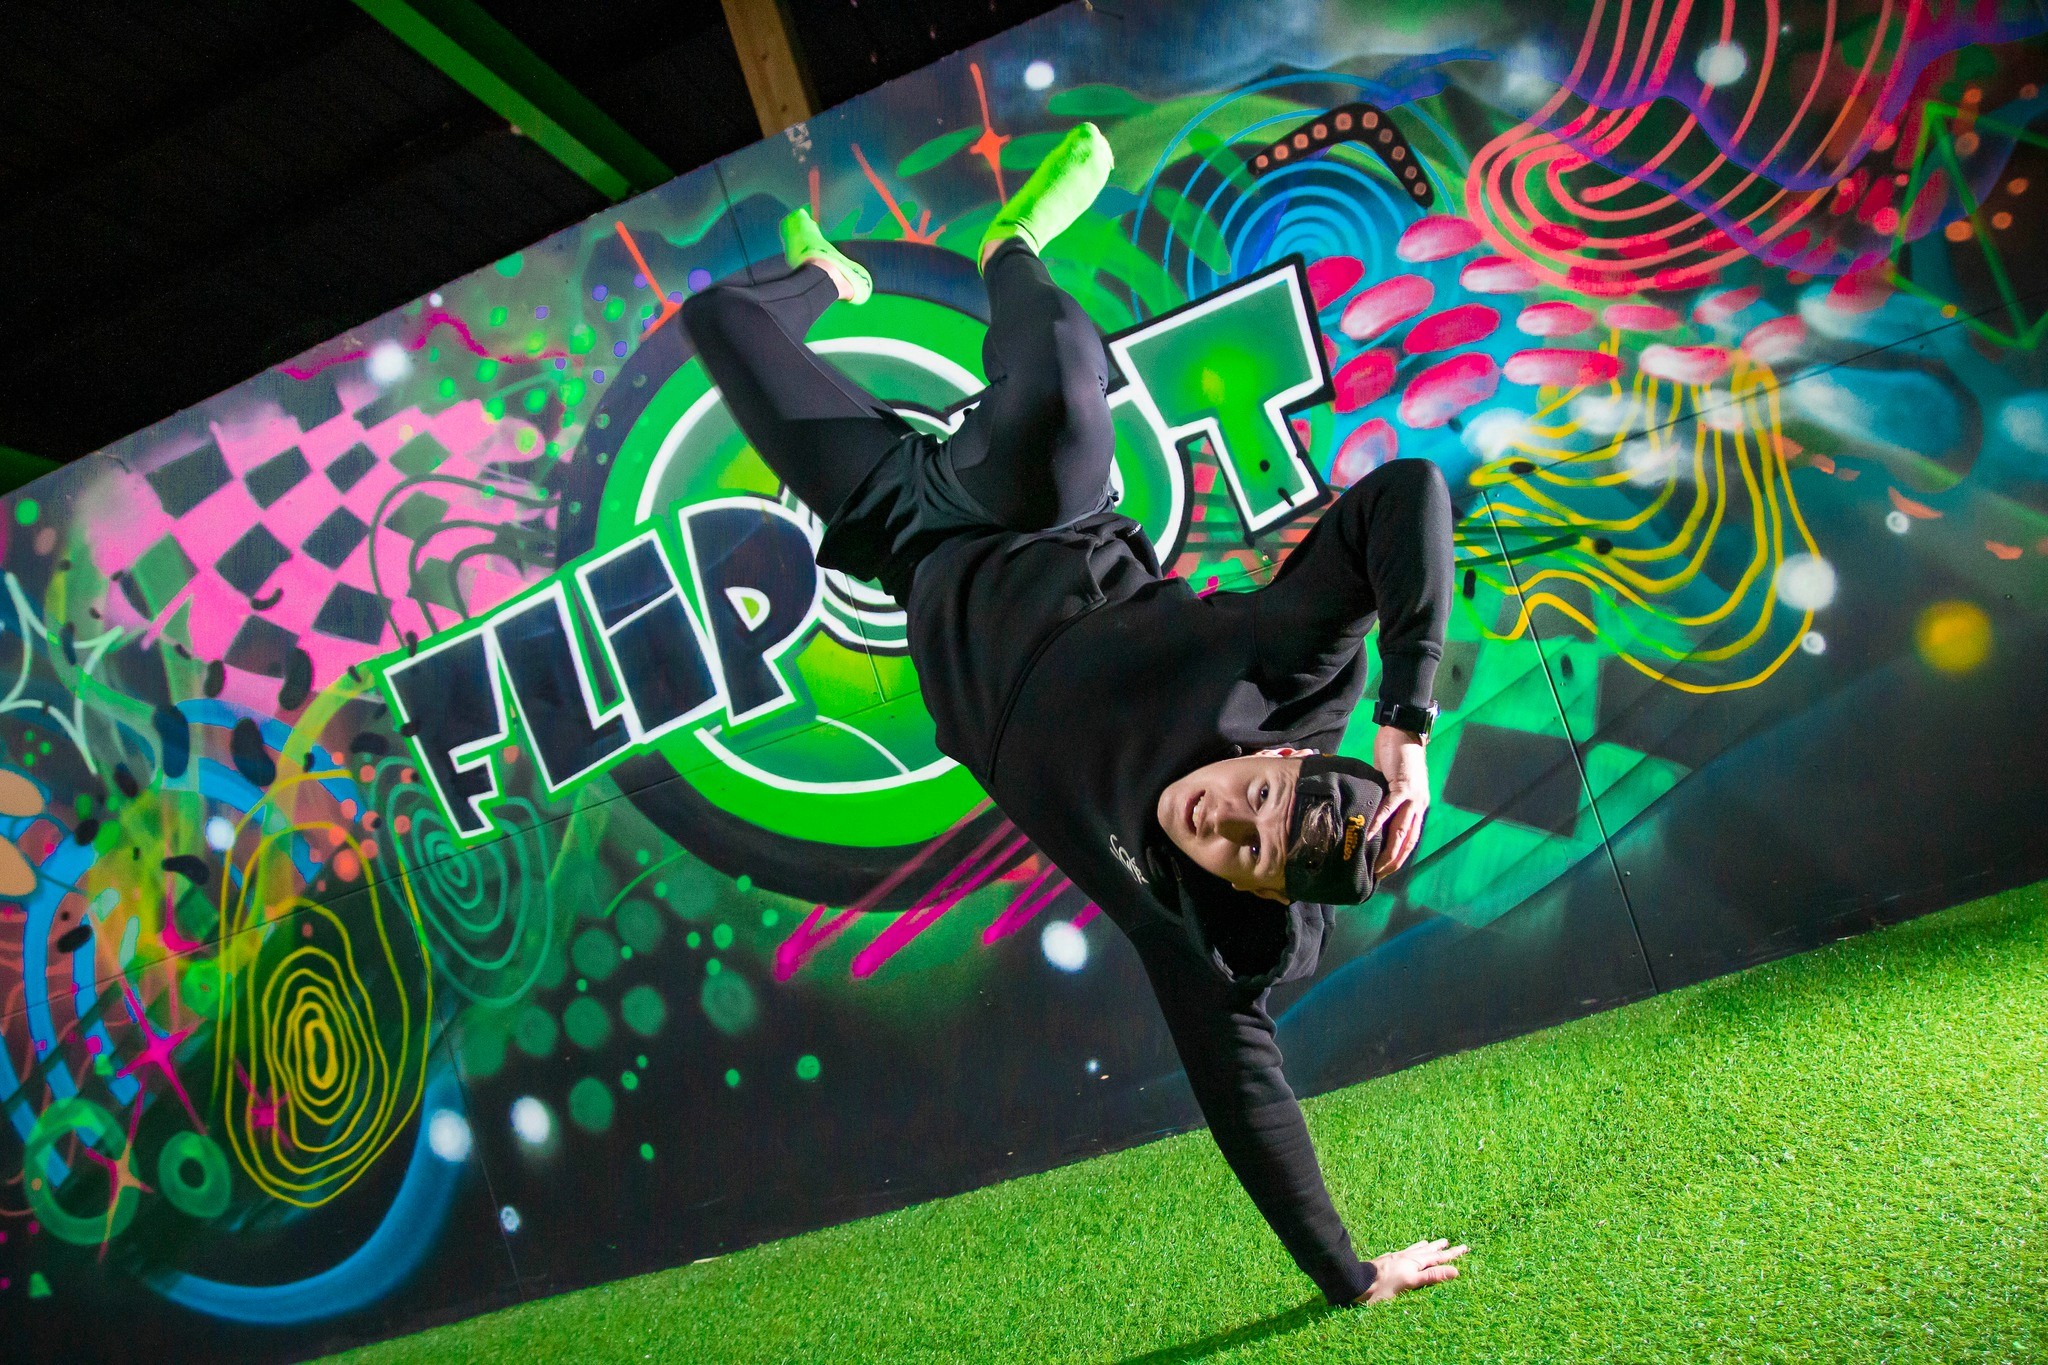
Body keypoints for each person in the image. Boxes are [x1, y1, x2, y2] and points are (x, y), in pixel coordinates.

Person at [681, 122, 1466, 1306]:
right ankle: (1012, 243)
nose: (1221, 821)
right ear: (1281, 758)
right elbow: (1404, 496)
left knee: (723, 325)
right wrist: (1405, 717)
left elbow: (1244, 1090)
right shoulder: (1280, 677)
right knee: (1055, 398)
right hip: (1037, 516)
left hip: (913, 542)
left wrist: (1346, 1274)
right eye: (1255, 797)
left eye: (1240, 856)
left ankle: (825, 281)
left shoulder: (1193, 930)